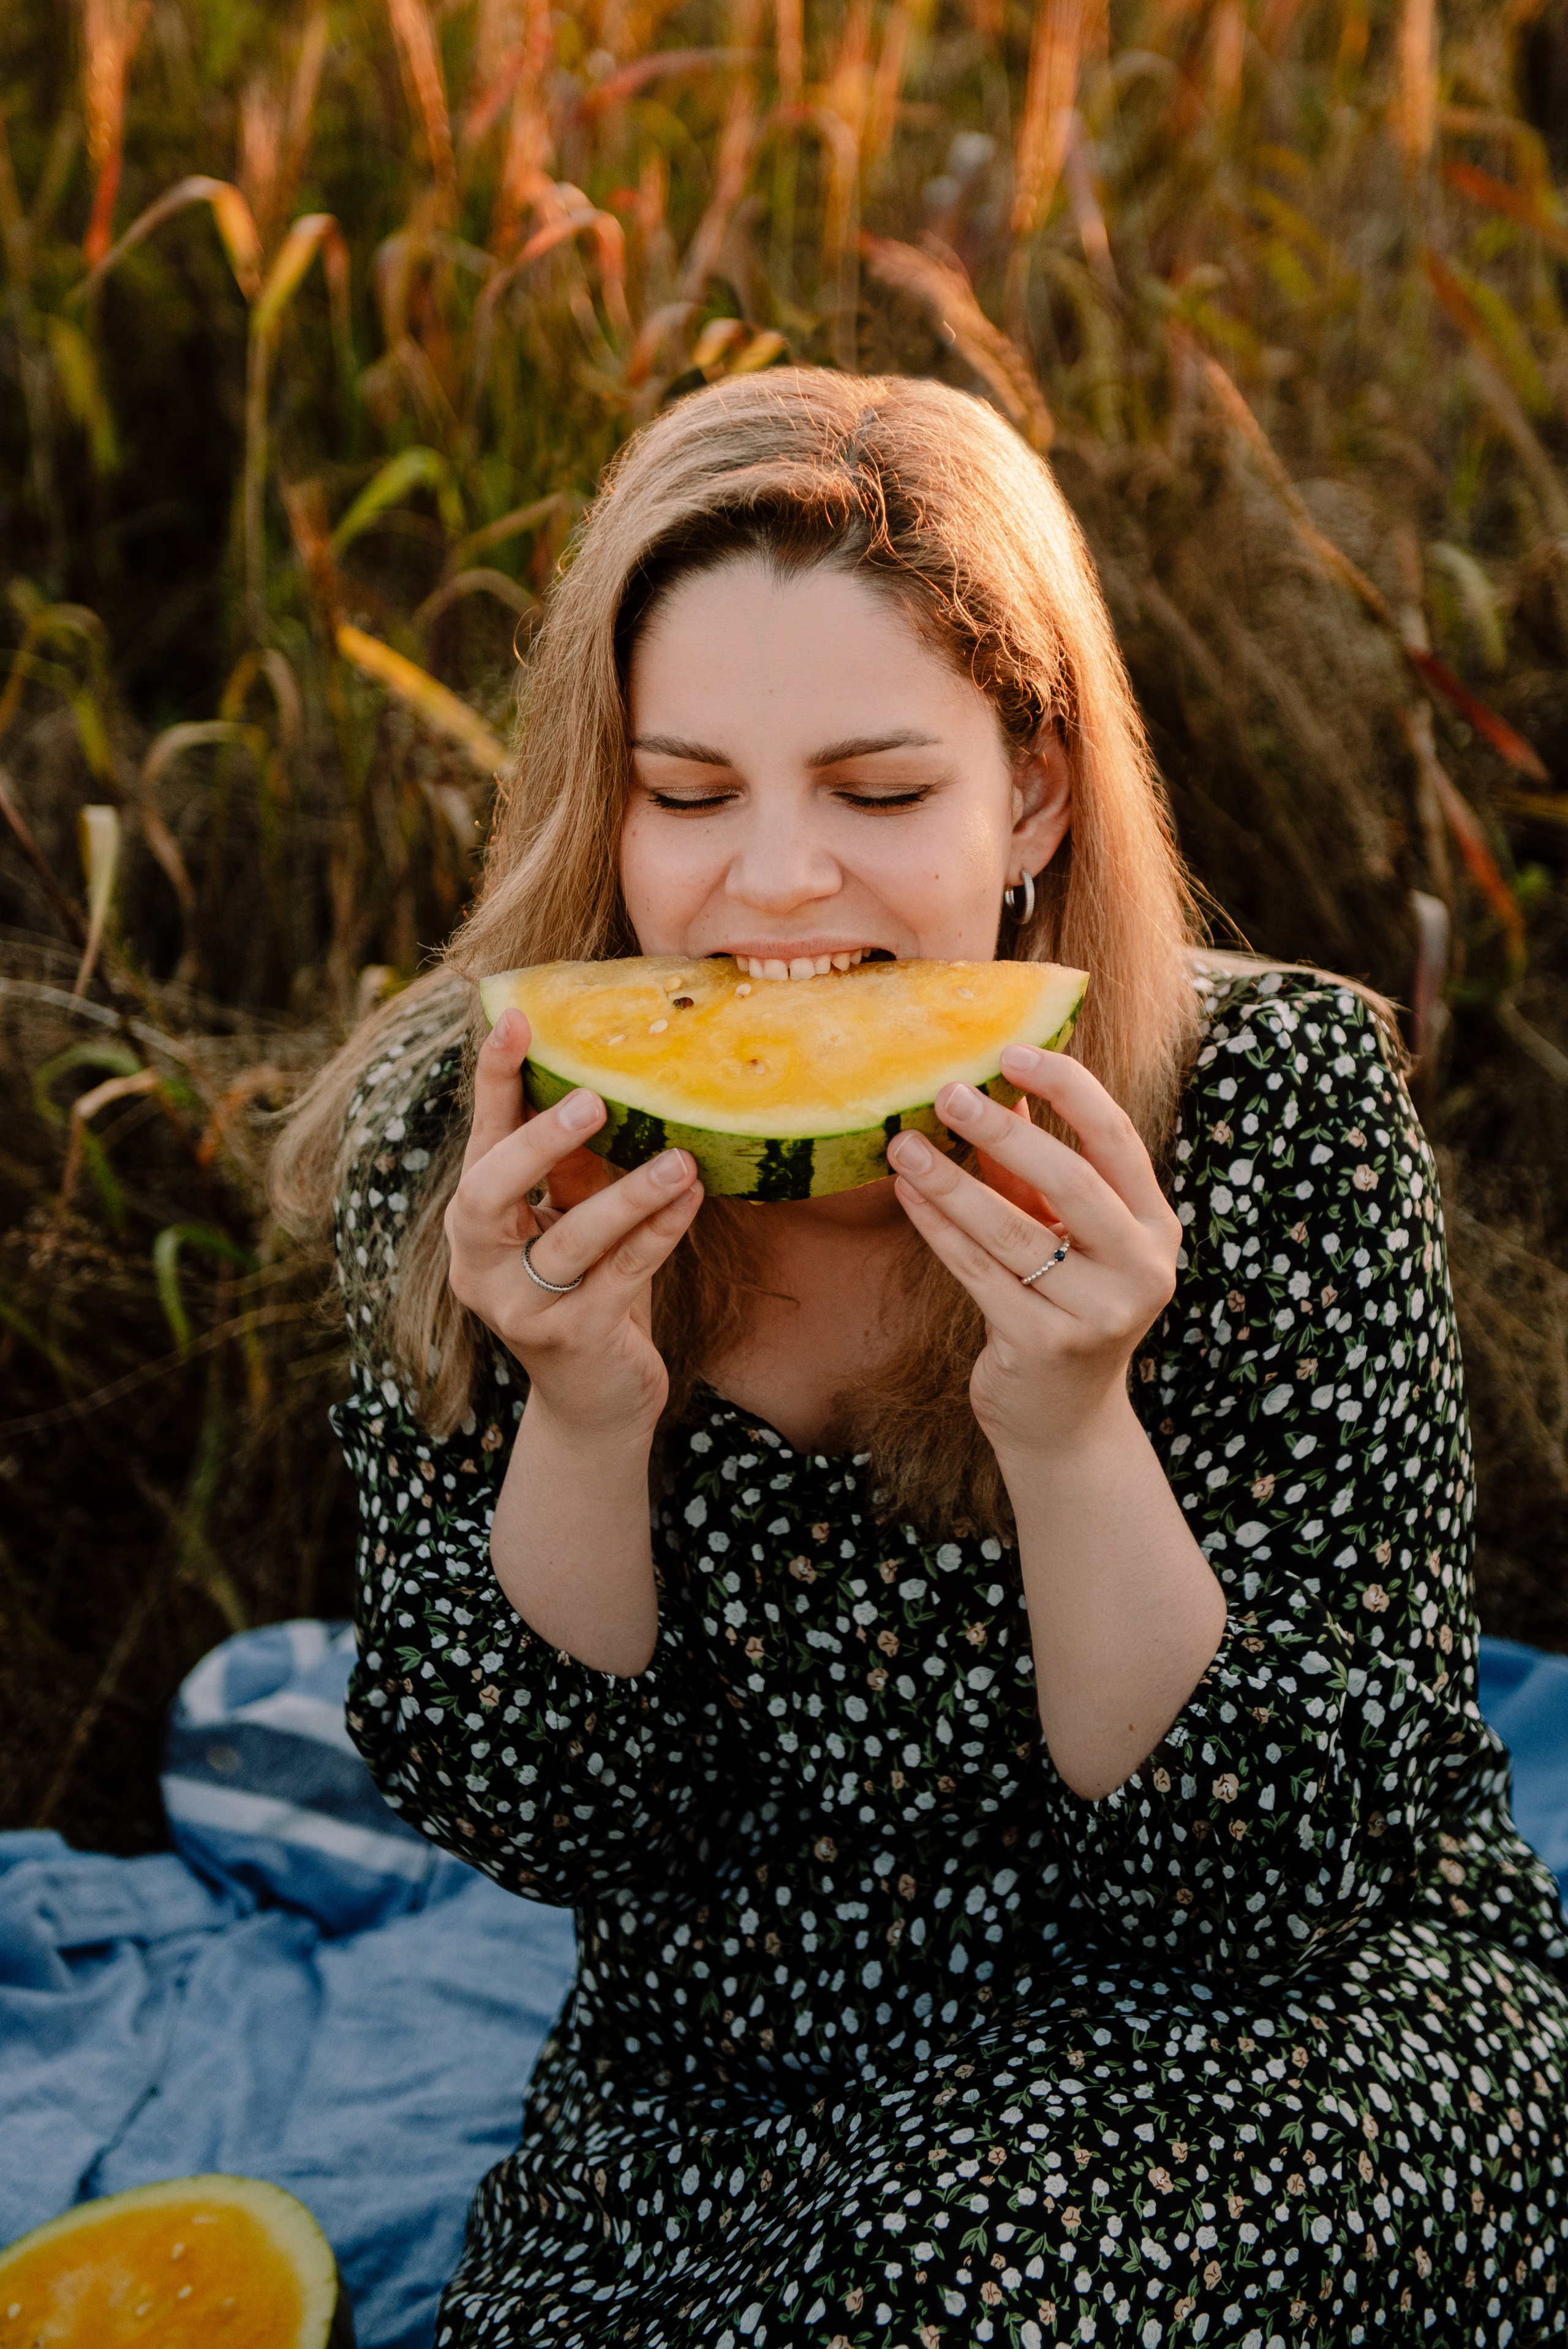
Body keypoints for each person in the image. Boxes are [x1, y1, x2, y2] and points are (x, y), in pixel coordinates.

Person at [273, 369, 1567, 2349]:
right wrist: (584, 1417)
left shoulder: (1281, 1108)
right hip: (720, 2092)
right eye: (687, 792)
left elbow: (1280, 1885)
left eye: (879, 793)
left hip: (1292, 2036)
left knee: (935, 2286)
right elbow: (535, 1820)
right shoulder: (484, 1140)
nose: (776, 881)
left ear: (1035, 784)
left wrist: (1071, 1426)